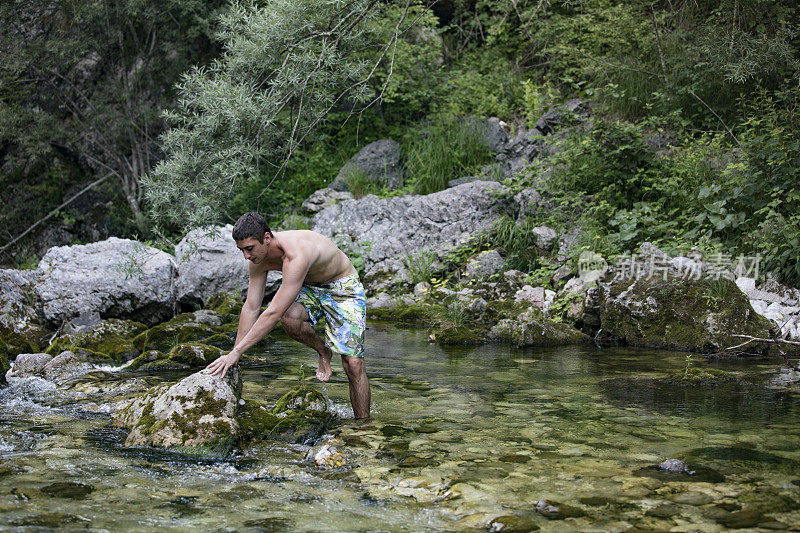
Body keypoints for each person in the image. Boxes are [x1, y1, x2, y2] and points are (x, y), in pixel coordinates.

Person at [205, 212, 370, 419]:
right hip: (310, 285)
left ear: (267, 238)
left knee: (353, 364)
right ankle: (323, 351)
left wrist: (238, 351)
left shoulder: (296, 253)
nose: (246, 256)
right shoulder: (258, 260)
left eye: (249, 249)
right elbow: (251, 306)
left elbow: (272, 312)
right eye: (242, 250)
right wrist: (234, 355)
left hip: (342, 286)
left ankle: (364, 428)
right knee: (290, 317)